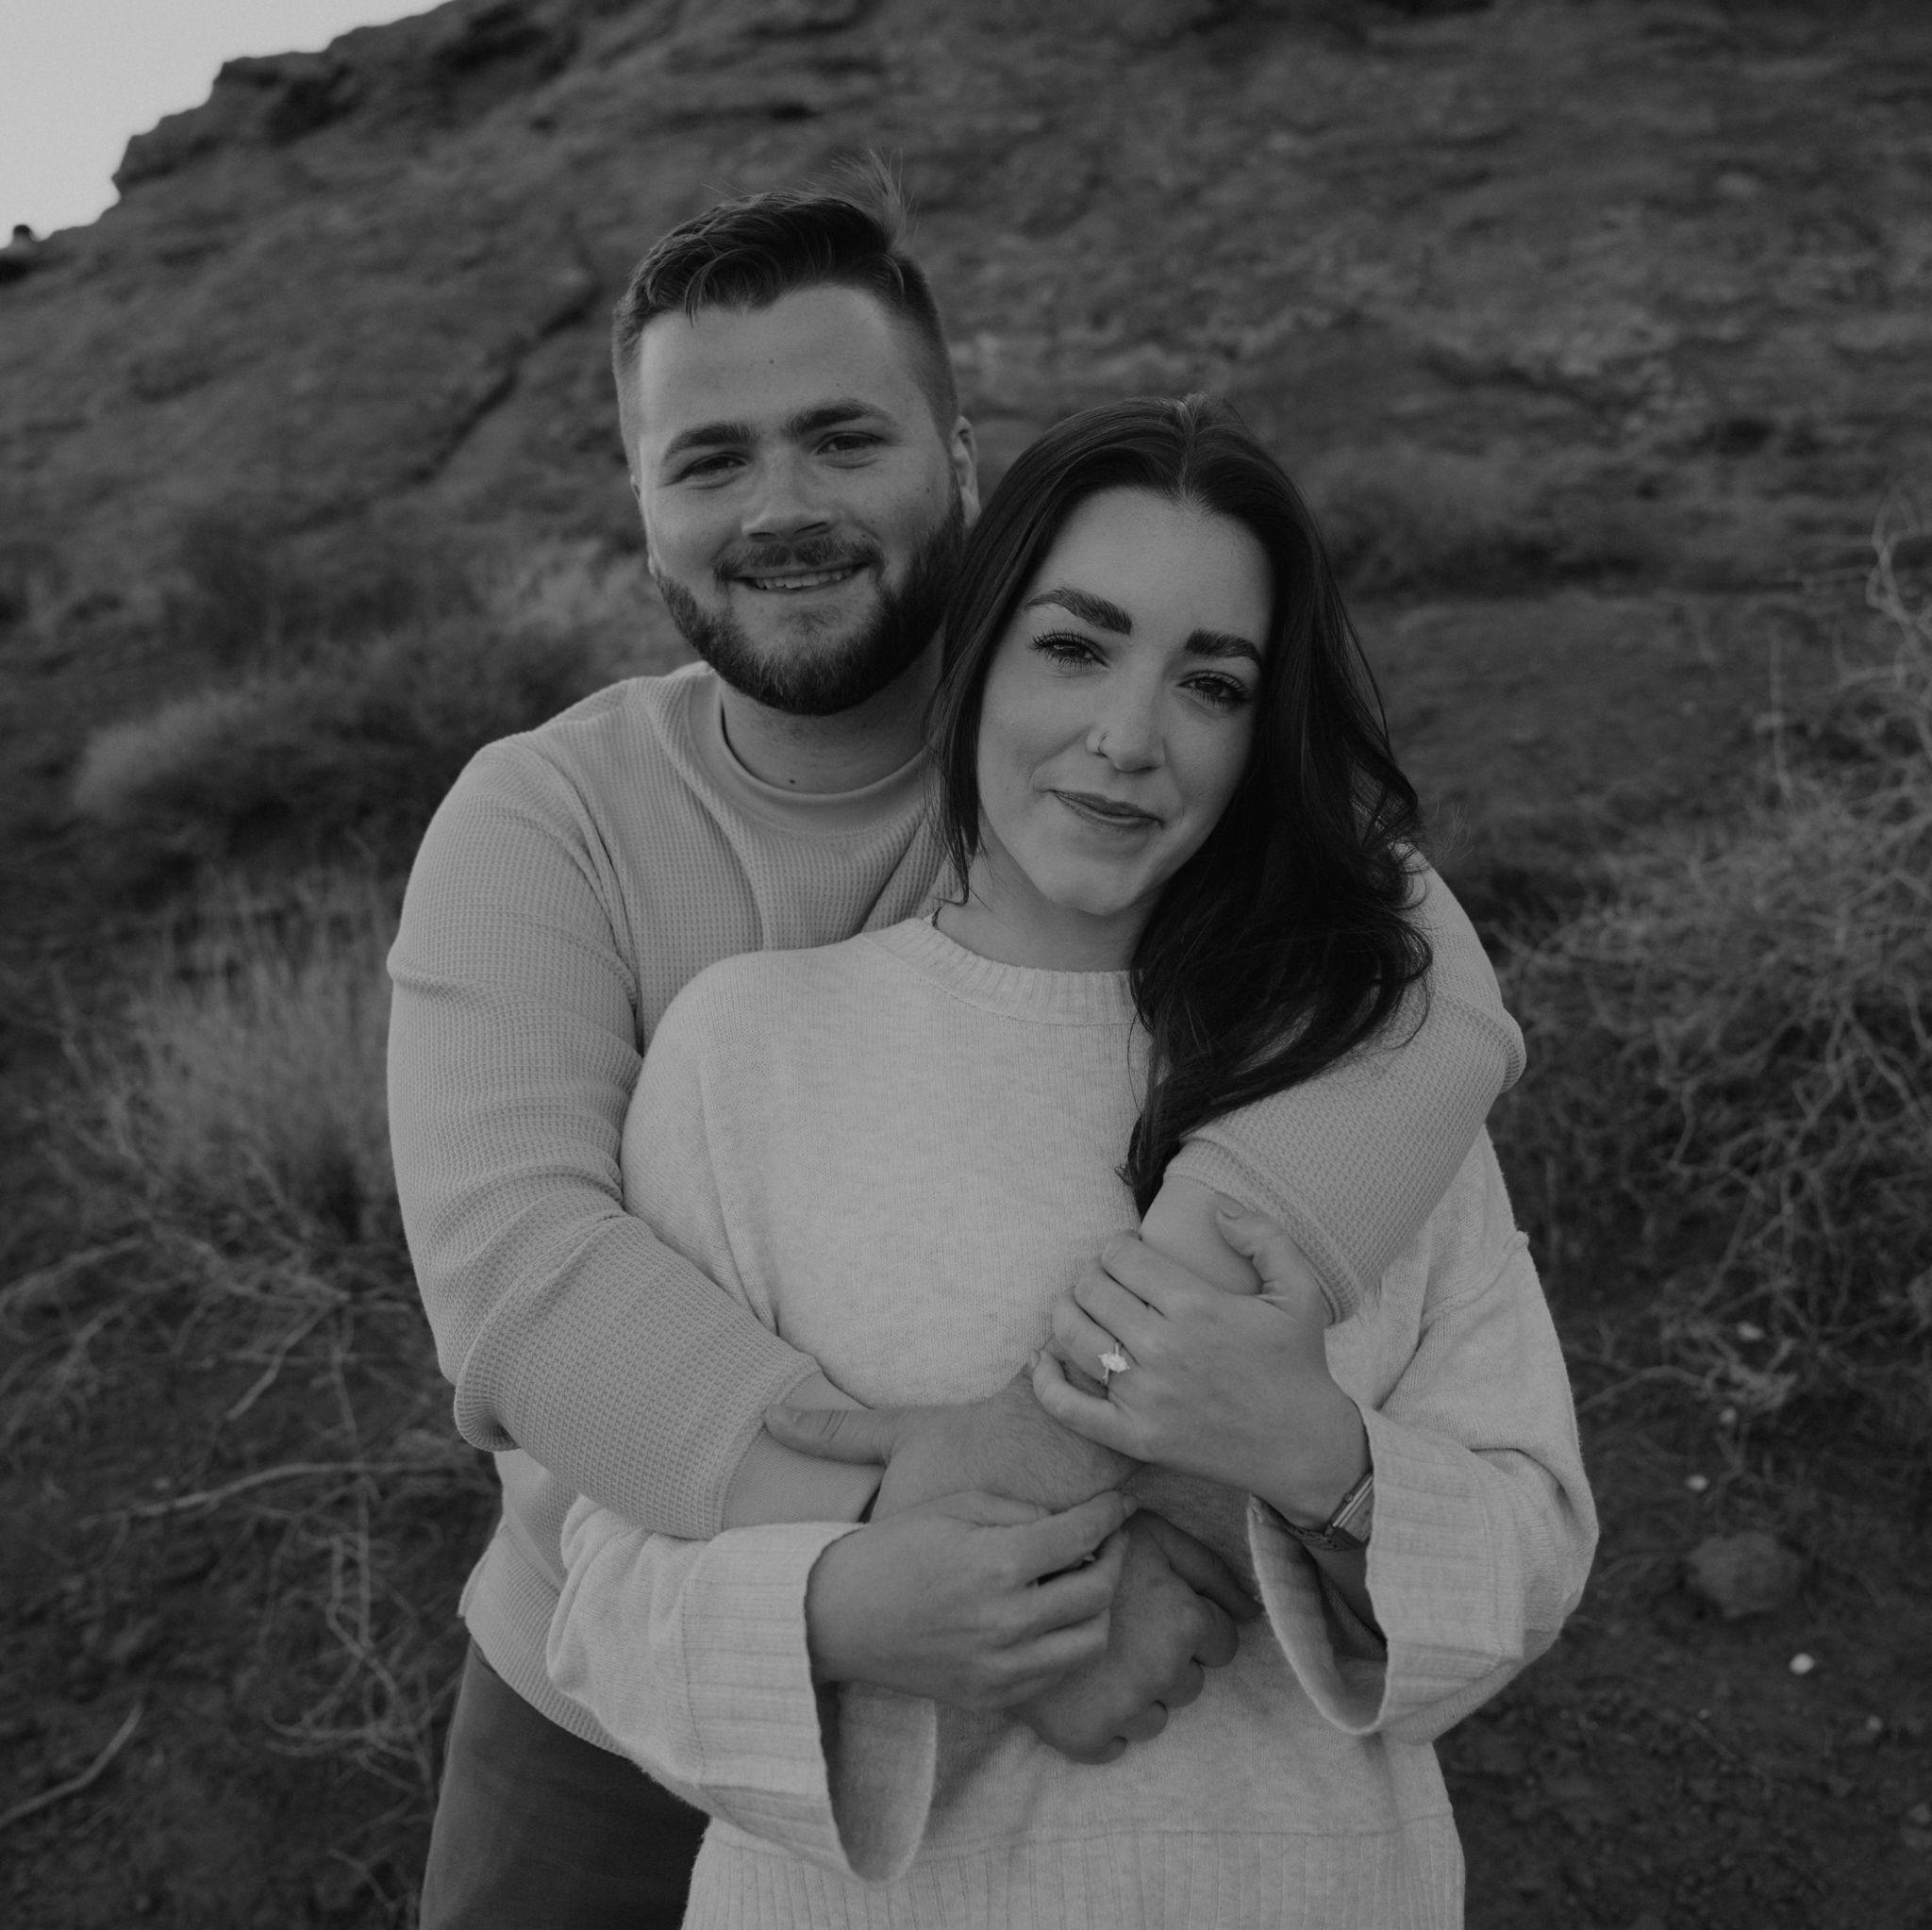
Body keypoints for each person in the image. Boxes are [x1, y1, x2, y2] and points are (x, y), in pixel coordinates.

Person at [388, 167, 1526, 1927]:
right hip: (608, 1668)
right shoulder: (549, 819)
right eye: (710, 459)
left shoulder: (1098, 762)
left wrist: (1064, 1511)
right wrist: (970, 1541)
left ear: (963, 462)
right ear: (641, 502)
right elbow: (523, 1280)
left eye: (844, 439)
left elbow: (1430, 998)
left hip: (1154, 1723)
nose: (782, 507)